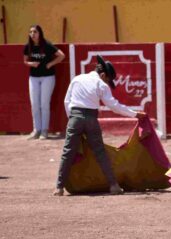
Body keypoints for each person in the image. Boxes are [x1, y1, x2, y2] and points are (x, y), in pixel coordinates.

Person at [53, 55, 146, 196]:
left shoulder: (77, 79)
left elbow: (67, 102)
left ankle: (59, 187)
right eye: (108, 79)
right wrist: (134, 114)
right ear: (103, 75)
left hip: (75, 117)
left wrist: (72, 120)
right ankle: (114, 185)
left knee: (68, 153)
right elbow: (114, 106)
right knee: (100, 153)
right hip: (91, 119)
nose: (108, 83)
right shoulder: (101, 84)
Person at [23, 25, 65, 140]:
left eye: (35, 32)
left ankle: (44, 130)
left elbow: (61, 55)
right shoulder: (28, 46)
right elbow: (25, 61)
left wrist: (50, 64)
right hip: (33, 78)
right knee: (35, 104)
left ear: (40, 33)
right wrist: (32, 64)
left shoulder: (47, 45)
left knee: (44, 104)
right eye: (30, 32)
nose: (32, 34)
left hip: (47, 77)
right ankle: (36, 130)